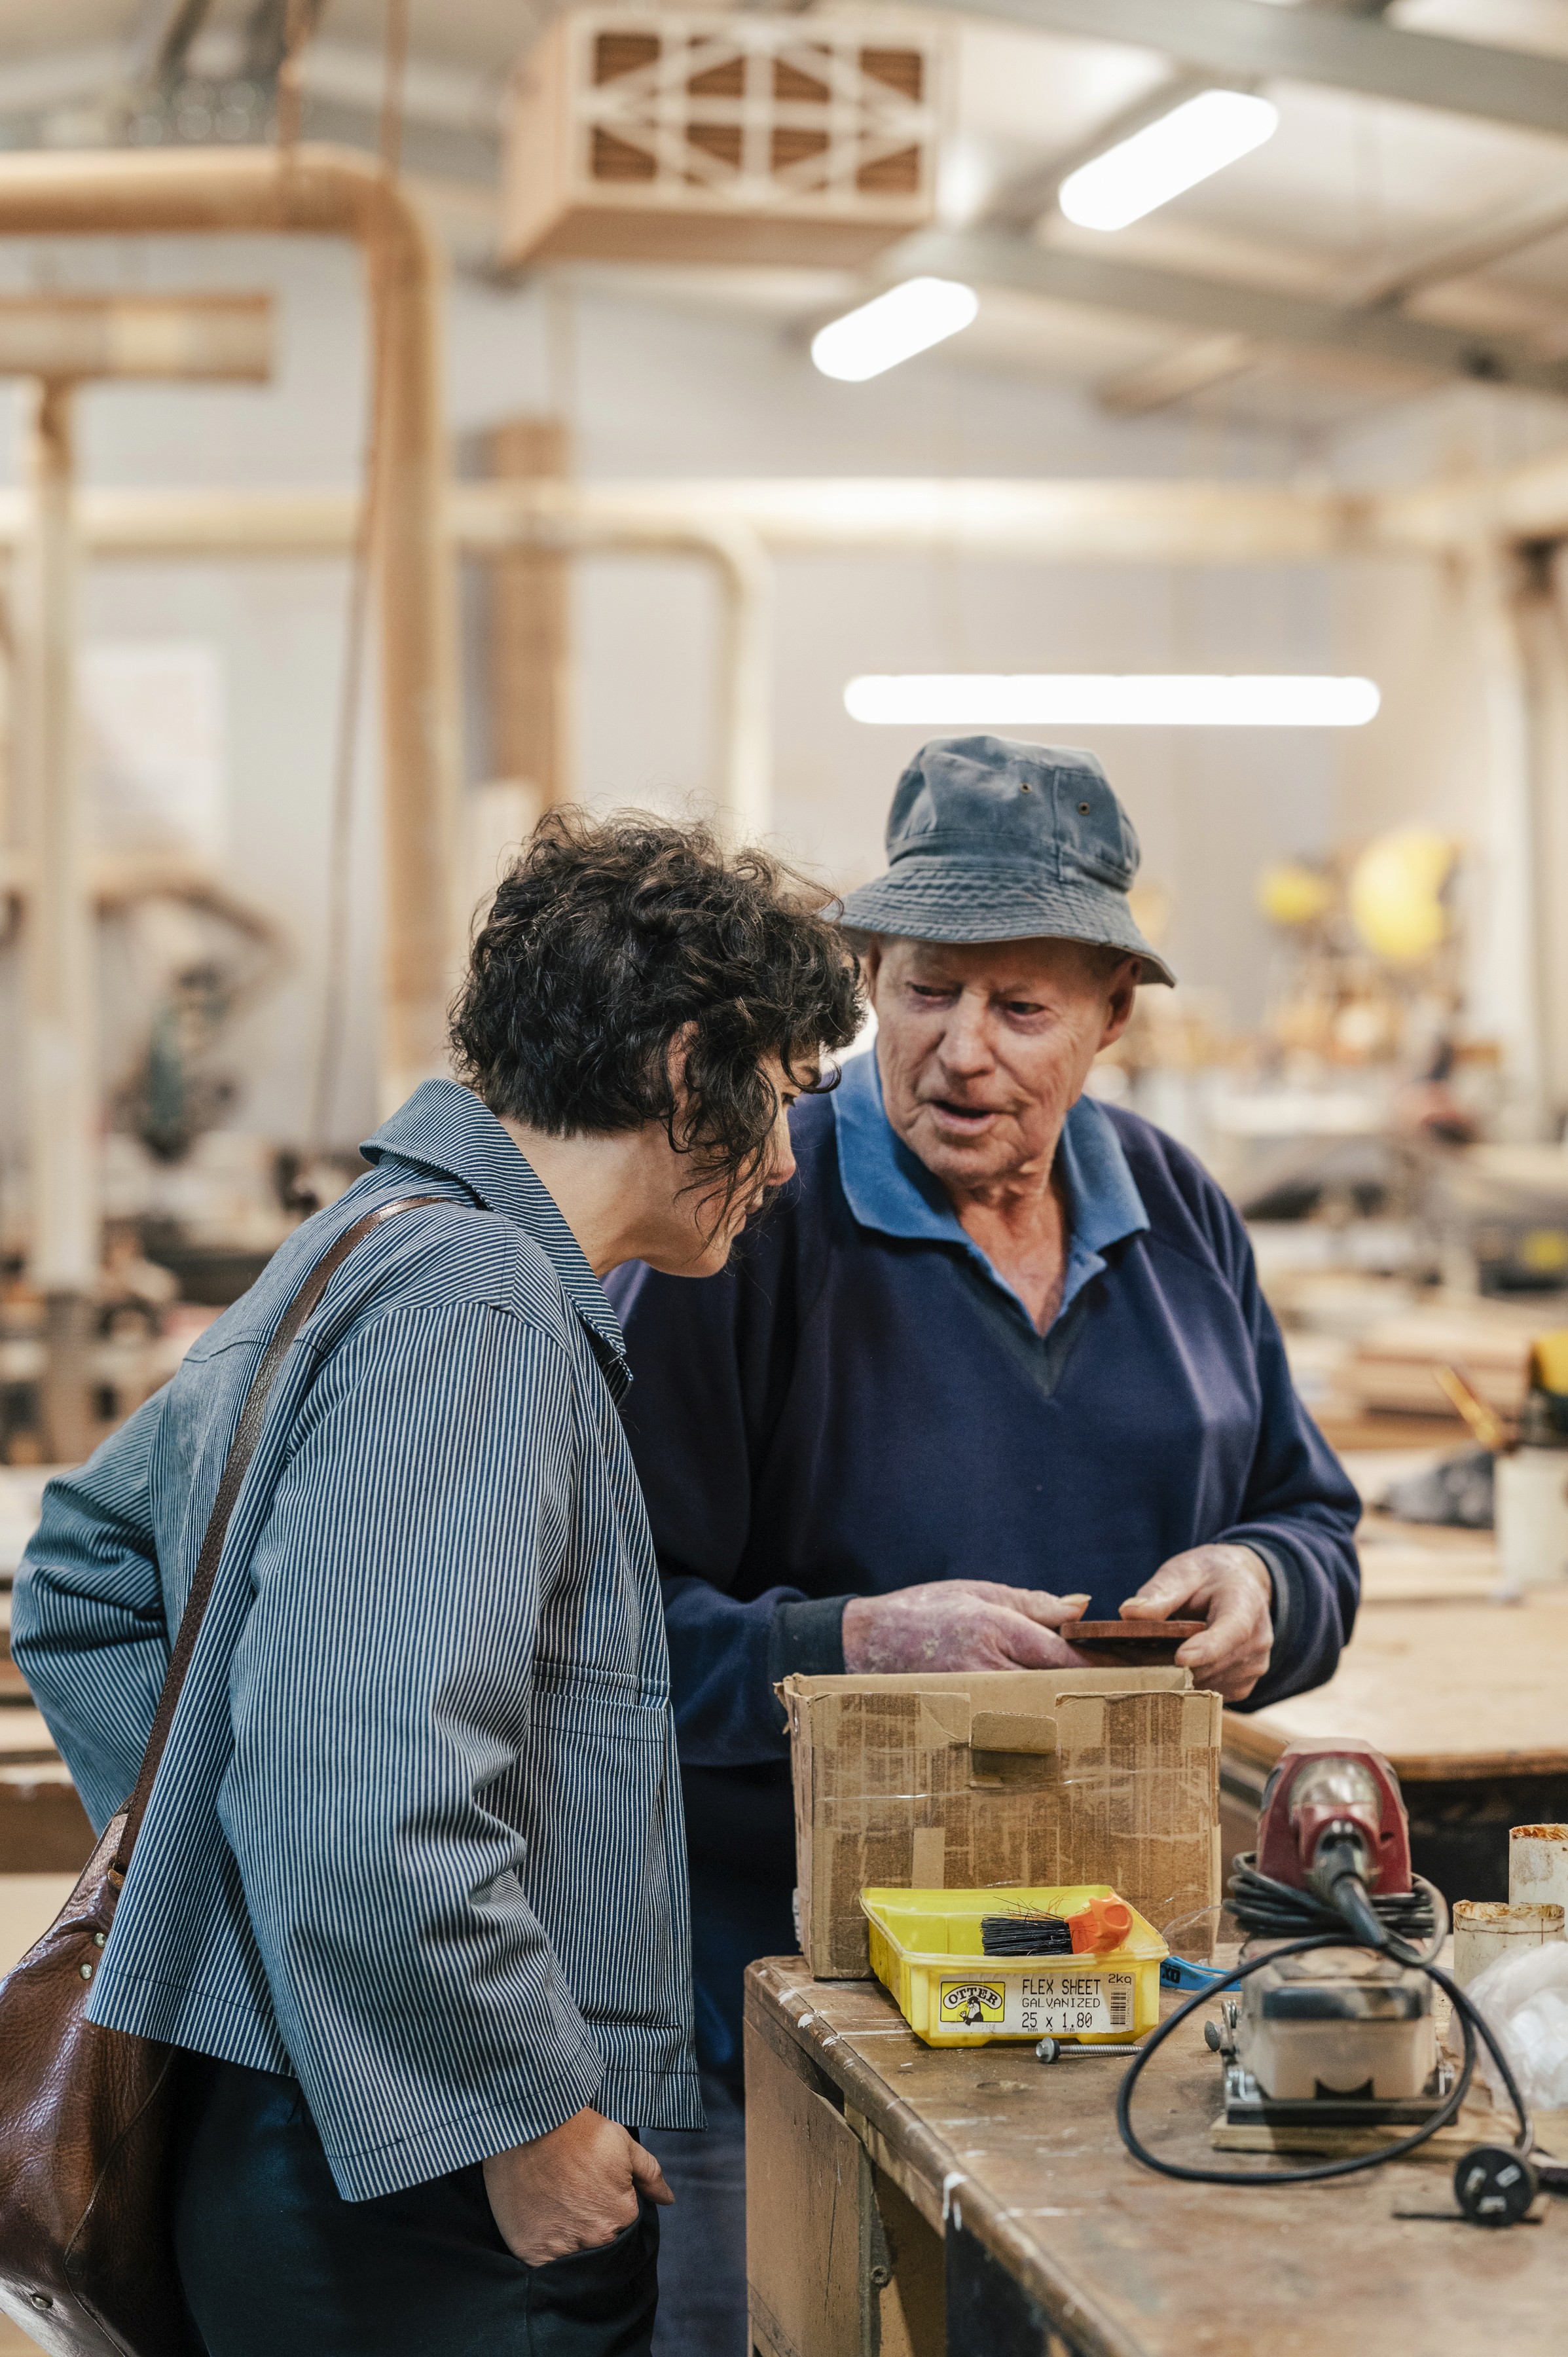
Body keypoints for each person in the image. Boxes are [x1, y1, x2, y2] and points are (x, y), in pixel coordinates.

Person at [13, 812, 862, 2357]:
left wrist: (240, 1905)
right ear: (689, 1071)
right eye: (786, 1098)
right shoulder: (474, 1303)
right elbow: (364, 1782)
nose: (790, 1159)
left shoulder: (373, 1239)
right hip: (410, 2203)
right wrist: (514, 2118)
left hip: (321, 2133)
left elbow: (79, 1579)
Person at [612, 736, 1362, 2356]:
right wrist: (851, 1645)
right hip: (789, 2012)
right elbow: (595, 1643)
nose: (963, 1053)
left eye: (1022, 1009)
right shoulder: (744, 1220)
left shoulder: (1174, 1207)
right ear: (866, 976)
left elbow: (1310, 1521)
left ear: (1112, 1014)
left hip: (1116, 1985)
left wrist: (1264, 1587)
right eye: (927, 991)